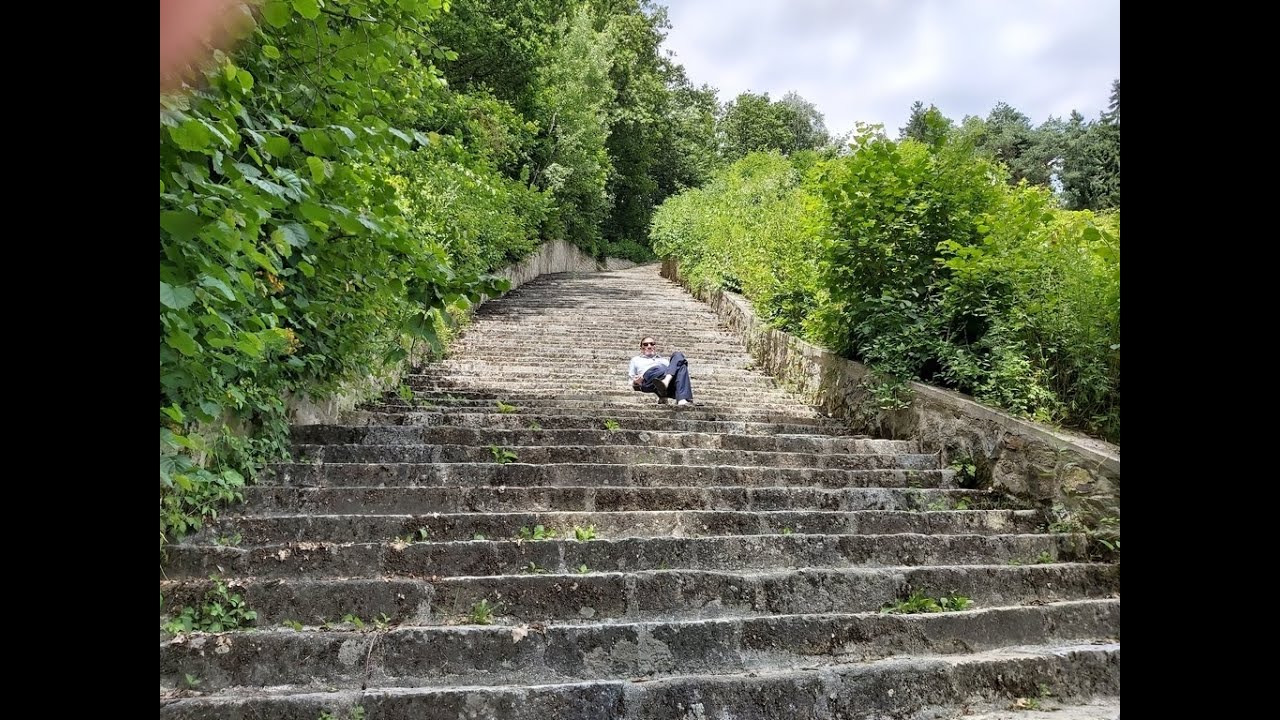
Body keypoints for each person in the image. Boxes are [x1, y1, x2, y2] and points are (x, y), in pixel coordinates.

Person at [629, 336, 694, 406]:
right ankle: (681, 396)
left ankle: (681, 399)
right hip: (649, 381)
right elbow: (630, 380)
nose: (649, 346)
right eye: (645, 344)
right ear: (641, 348)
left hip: (663, 384)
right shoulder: (636, 360)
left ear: (655, 347)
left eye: (652, 344)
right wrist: (636, 382)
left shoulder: (664, 361)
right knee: (660, 367)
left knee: (679, 357)